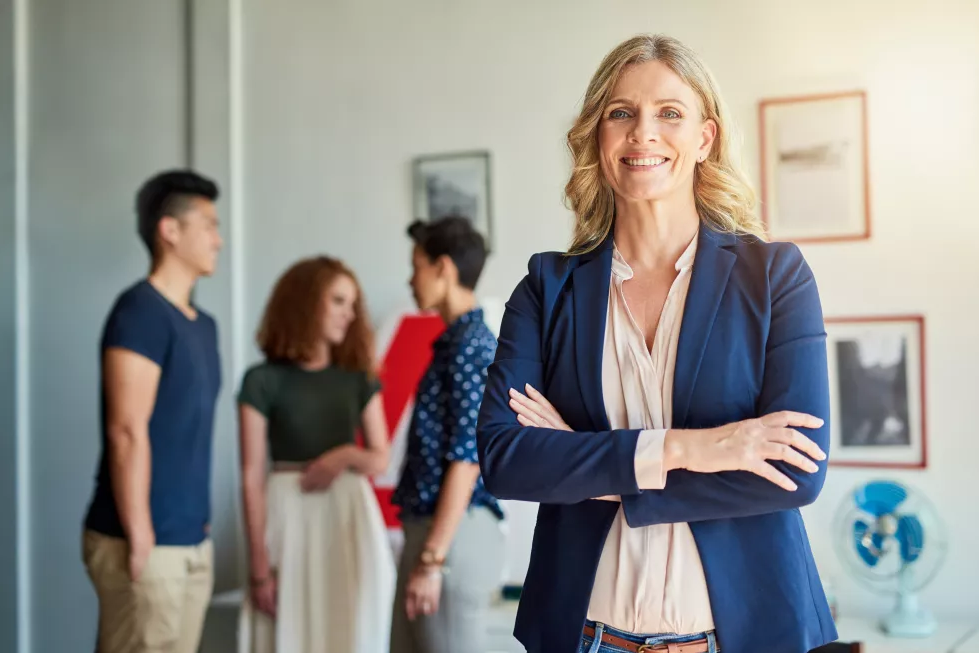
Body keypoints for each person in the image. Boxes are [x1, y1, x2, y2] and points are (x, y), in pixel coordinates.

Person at [476, 34, 836, 653]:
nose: (644, 133)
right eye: (622, 113)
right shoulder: (546, 287)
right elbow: (505, 458)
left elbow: (795, 471)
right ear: (598, 135)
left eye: (669, 112)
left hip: (740, 638)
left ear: (705, 139)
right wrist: (698, 448)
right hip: (586, 638)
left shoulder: (775, 276)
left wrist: (587, 463)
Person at [82, 169, 223, 653]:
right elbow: (126, 430)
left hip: (190, 540)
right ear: (170, 230)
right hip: (143, 543)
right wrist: (141, 535)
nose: (218, 240)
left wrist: (198, 528)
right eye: (208, 224)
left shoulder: (204, 326)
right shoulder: (140, 312)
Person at [236, 256, 395, 653]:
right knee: (286, 633)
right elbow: (251, 477)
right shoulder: (261, 381)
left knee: (350, 630)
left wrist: (341, 457)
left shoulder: (358, 377)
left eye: (353, 304)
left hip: (347, 517)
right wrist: (259, 568)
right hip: (286, 515)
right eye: (339, 301)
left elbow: (380, 457)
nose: (350, 313)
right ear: (307, 303)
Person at [390, 217, 505, 653]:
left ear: (443, 268)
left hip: (452, 537)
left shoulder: (469, 346)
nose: (409, 278)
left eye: (416, 265)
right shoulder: (457, 343)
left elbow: (467, 456)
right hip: (438, 533)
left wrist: (433, 559)